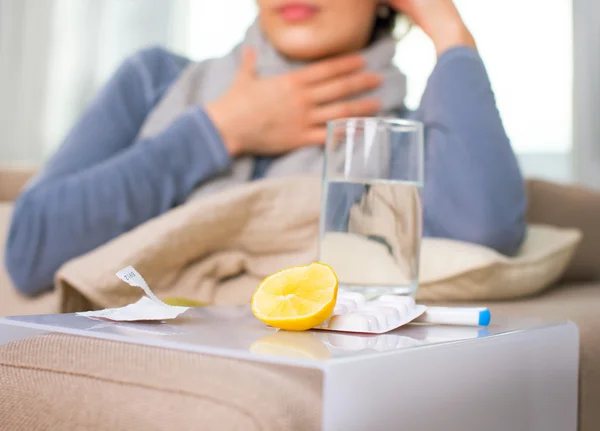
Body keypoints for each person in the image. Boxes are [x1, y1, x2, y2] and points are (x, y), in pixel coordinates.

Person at [5, 0, 527, 295]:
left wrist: (446, 26)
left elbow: (485, 229)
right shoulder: (155, 82)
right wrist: (219, 131)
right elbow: (30, 251)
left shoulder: (398, 143)